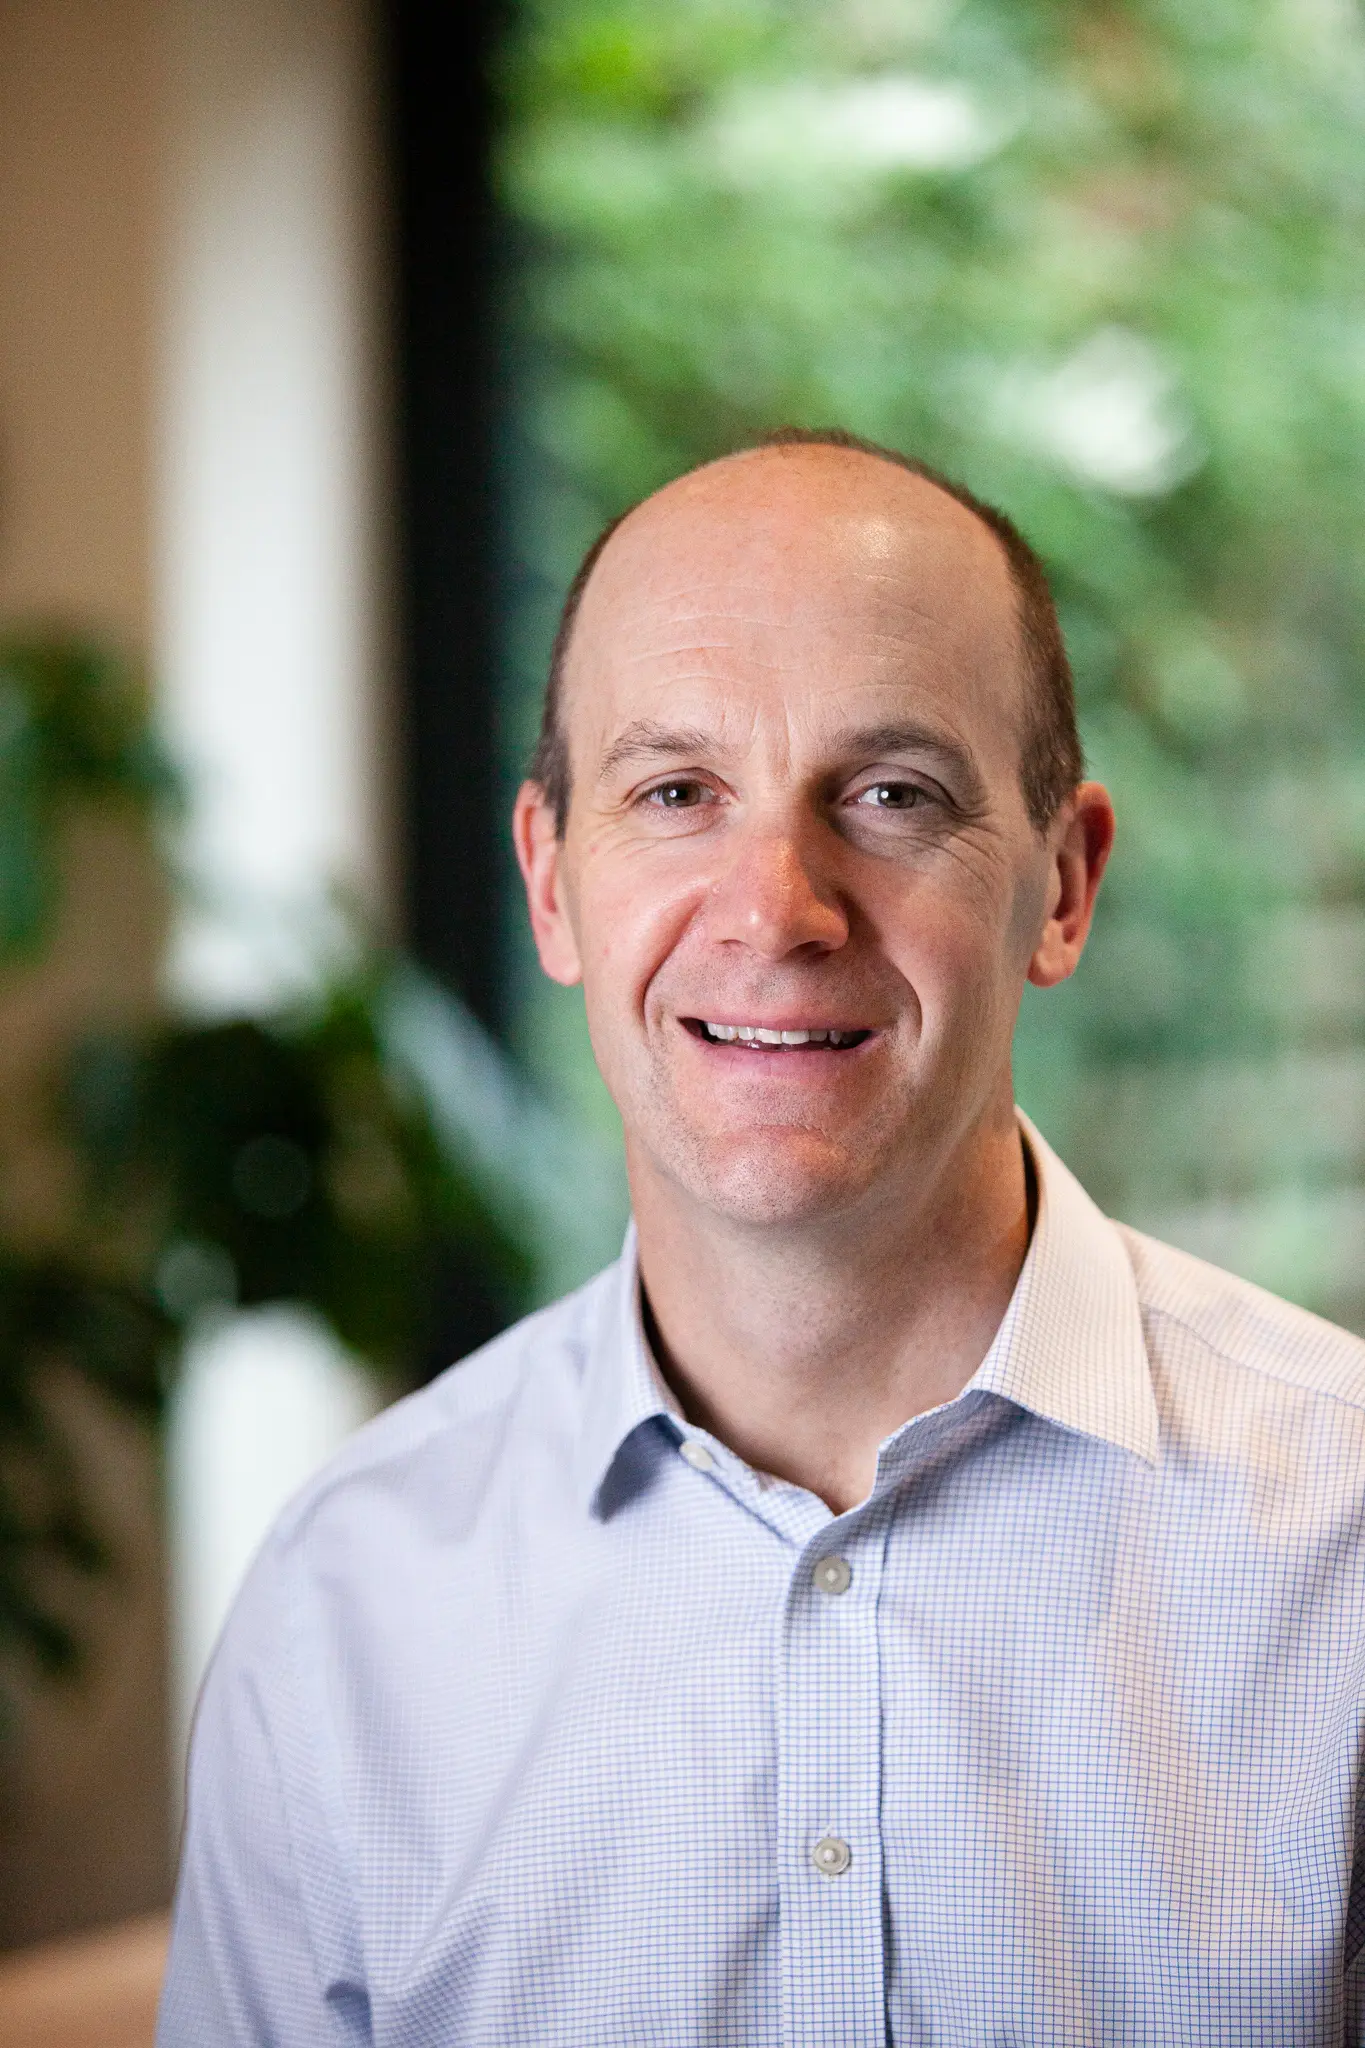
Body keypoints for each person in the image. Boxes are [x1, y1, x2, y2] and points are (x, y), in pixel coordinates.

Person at [158, 430, 1365, 2046]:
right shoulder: (349, 1605)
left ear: (1063, 887)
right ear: (552, 885)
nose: (778, 907)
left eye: (891, 794)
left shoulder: (1343, 1554)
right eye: (676, 793)